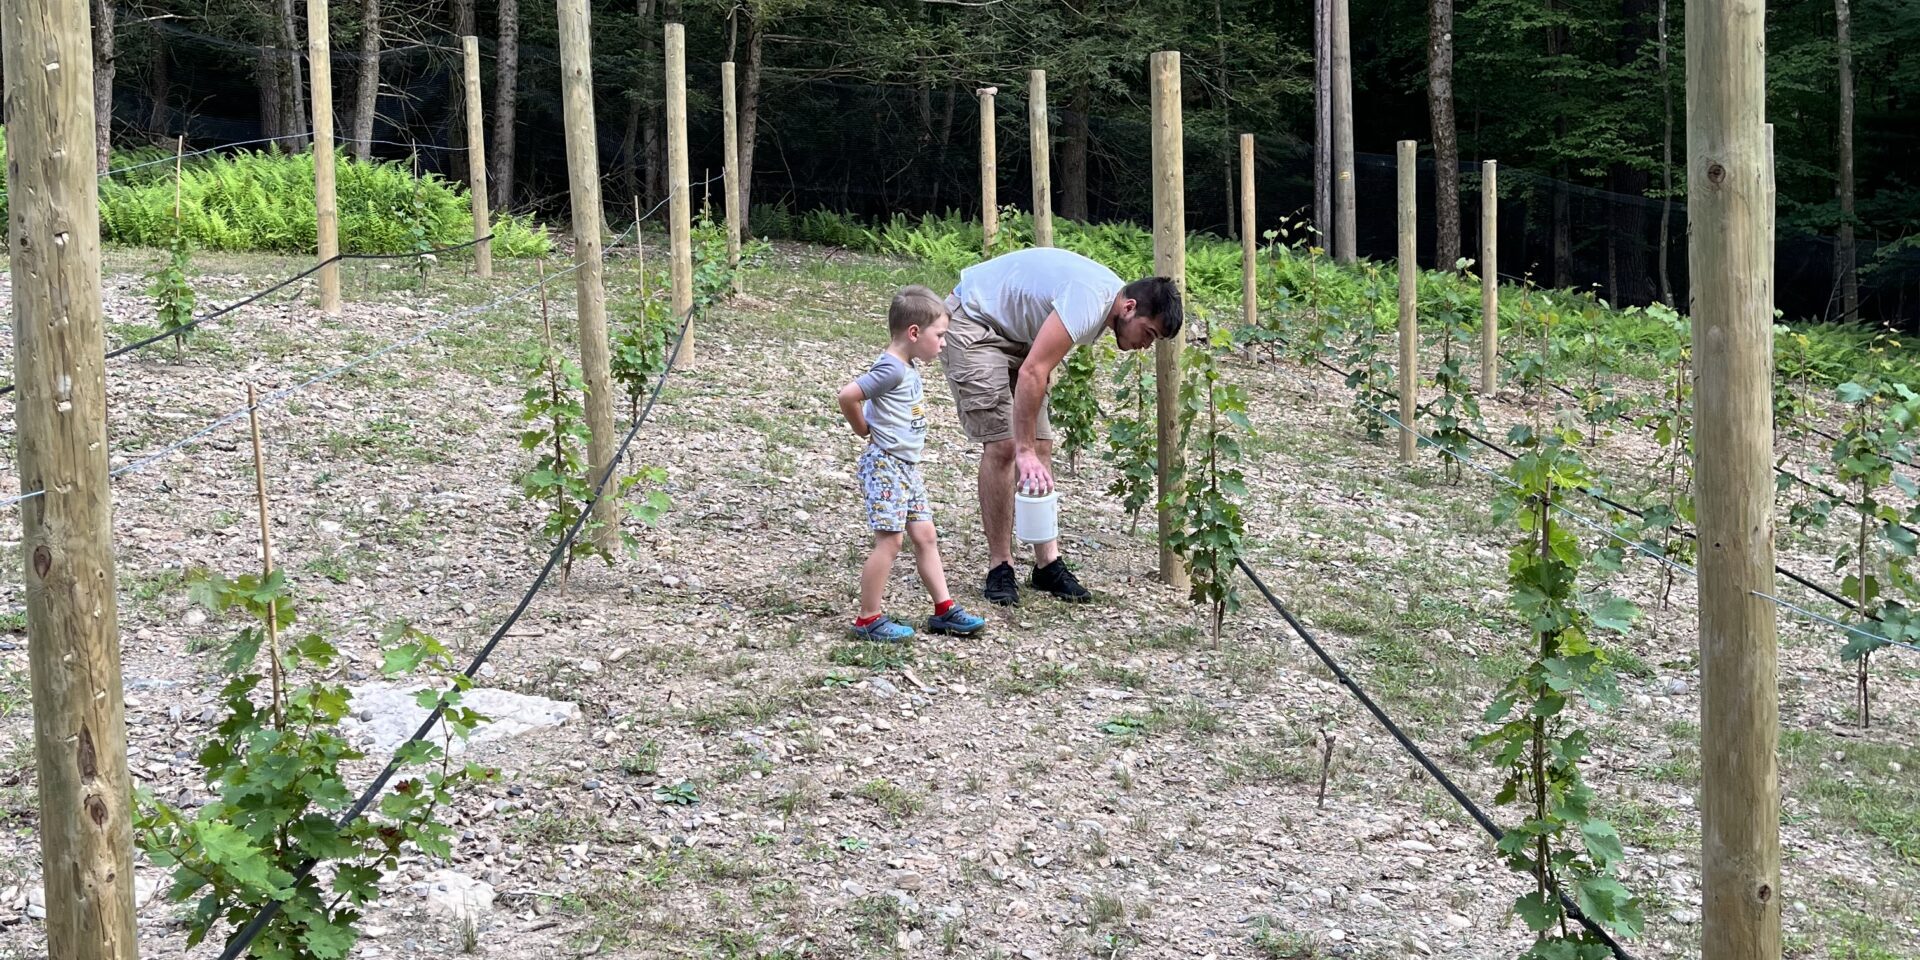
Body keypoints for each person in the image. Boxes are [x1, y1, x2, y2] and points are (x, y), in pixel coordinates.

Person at [940, 247, 1183, 606]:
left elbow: (1038, 364)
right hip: (975, 322)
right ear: (1129, 307)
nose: (1145, 346)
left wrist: (1032, 446)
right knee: (1006, 446)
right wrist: (1023, 449)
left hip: (1017, 333)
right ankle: (1000, 566)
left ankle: (1046, 565)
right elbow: (1033, 371)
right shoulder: (1089, 301)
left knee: (1042, 446)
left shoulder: (1105, 305)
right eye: (1148, 333)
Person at [835, 285, 989, 642]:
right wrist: (864, 430)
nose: (944, 343)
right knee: (890, 542)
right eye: (940, 335)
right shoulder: (890, 369)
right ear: (914, 333)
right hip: (886, 466)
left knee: (925, 535)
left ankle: (944, 609)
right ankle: (868, 618)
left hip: (906, 467)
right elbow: (848, 395)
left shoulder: (904, 366)